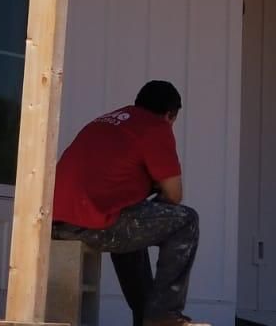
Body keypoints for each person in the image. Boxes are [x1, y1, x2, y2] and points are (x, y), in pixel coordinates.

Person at [52, 81, 203, 326]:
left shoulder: (107, 121)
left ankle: (145, 316)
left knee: (134, 222)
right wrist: (158, 193)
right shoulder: (156, 127)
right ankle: (163, 314)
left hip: (56, 221)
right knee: (186, 221)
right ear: (170, 114)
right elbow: (175, 196)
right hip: (89, 223)